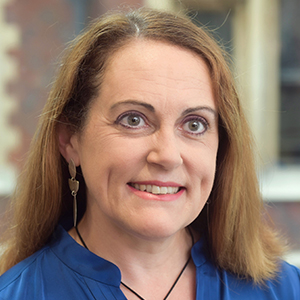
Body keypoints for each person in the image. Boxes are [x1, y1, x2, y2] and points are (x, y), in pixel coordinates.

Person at [0, 7, 299, 300]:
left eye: (195, 124)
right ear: (70, 141)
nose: (167, 156)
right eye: (133, 119)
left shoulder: (285, 289)